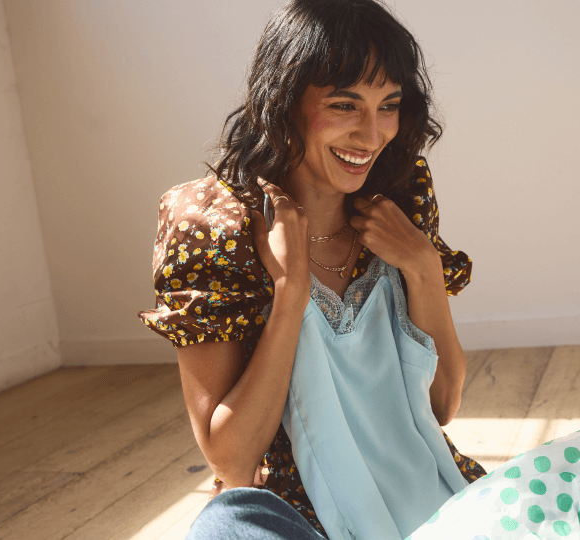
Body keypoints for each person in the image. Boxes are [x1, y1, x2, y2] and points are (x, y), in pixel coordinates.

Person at [138, 0, 485, 538]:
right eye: (345, 105)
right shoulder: (213, 224)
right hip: (301, 517)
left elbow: (440, 406)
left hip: (427, 498)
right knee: (223, 528)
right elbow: (233, 463)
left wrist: (423, 267)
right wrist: (290, 289)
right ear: (282, 101)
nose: (372, 135)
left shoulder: (399, 196)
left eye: (388, 106)